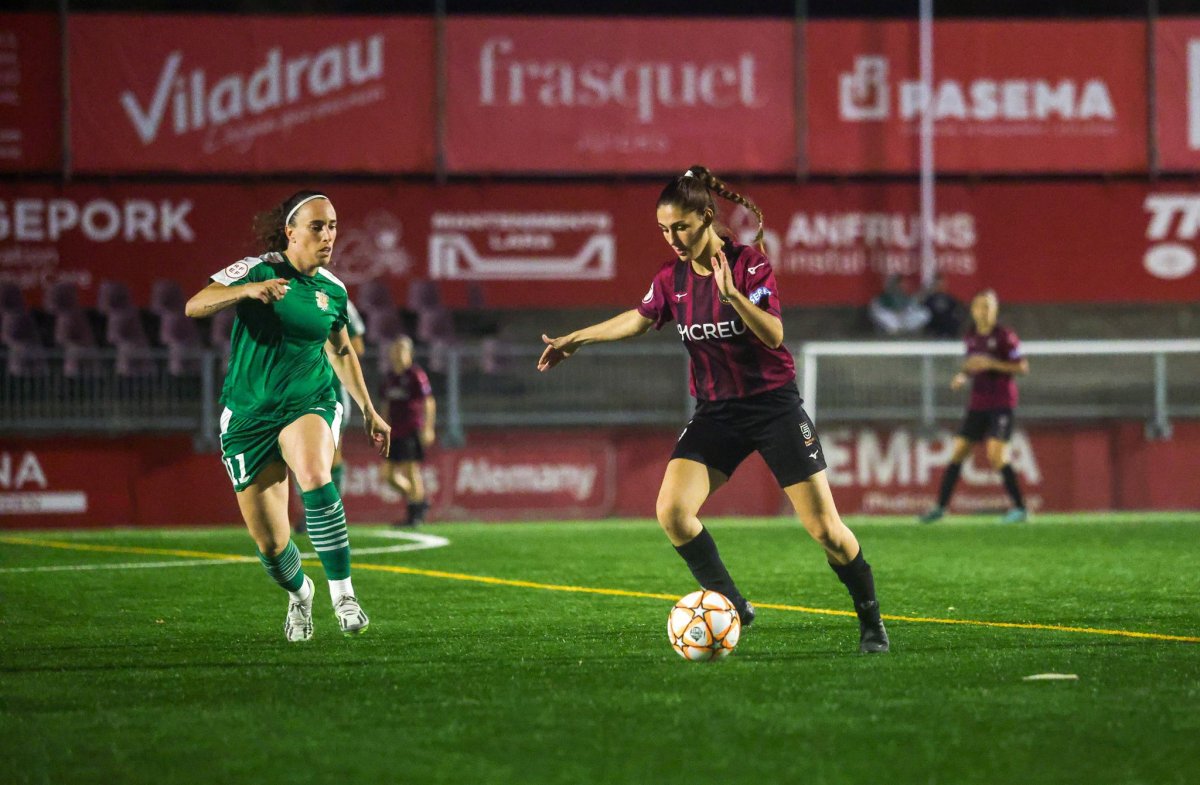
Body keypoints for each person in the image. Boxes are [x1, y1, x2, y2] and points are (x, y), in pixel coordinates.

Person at [538, 165, 889, 654]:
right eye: (664, 229)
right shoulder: (671, 279)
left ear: (707, 217)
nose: (673, 238)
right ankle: (731, 603)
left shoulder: (750, 266)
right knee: (673, 513)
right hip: (716, 414)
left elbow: (774, 334)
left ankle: (871, 620)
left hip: (774, 408)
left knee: (826, 531)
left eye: (680, 226)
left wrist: (733, 298)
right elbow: (636, 320)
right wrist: (577, 338)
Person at [185, 190, 390, 642]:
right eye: (317, 226)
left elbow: (340, 350)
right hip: (248, 417)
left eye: (333, 226)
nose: (328, 235)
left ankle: (344, 594)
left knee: (317, 474)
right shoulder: (258, 268)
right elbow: (194, 304)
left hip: (308, 401)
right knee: (273, 546)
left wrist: (369, 410)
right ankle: (301, 595)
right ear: (290, 232)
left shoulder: (333, 290)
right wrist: (246, 290)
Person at [919, 289, 1030, 524]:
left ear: (995, 310)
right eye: (981, 306)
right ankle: (940, 507)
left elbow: (1021, 367)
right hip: (978, 404)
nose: (985, 310)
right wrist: (962, 375)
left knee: (996, 455)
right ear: (974, 309)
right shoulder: (970, 336)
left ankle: (1020, 508)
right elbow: (971, 365)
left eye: (989, 306)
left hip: (1001, 403)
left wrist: (992, 363)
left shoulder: (1005, 336)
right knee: (958, 451)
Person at [293, 298, 365, 535]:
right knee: (299, 455)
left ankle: (332, 513)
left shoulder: (335, 298)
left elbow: (357, 346)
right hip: (297, 391)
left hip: (331, 390)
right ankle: (310, 513)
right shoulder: (289, 297)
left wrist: (326, 347)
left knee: (332, 455)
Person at [379, 335, 436, 527]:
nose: (397, 354)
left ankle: (414, 515)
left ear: (409, 354)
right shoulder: (389, 378)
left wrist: (428, 428)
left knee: (411, 470)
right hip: (393, 431)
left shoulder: (415, 375)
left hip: (411, 429)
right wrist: (382, 426)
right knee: (388, 476)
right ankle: (419, 501)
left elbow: (428, 402)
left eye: (401, 350)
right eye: (395, 350)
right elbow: (386, 403)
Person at [922, 274, 966, 339]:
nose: (940, 286)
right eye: (938, 284)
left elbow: (959, 307)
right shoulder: (930, 298)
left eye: (941, 284)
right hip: (934, 322)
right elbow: (923, 310)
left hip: (947, 322)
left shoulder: (950, 297)